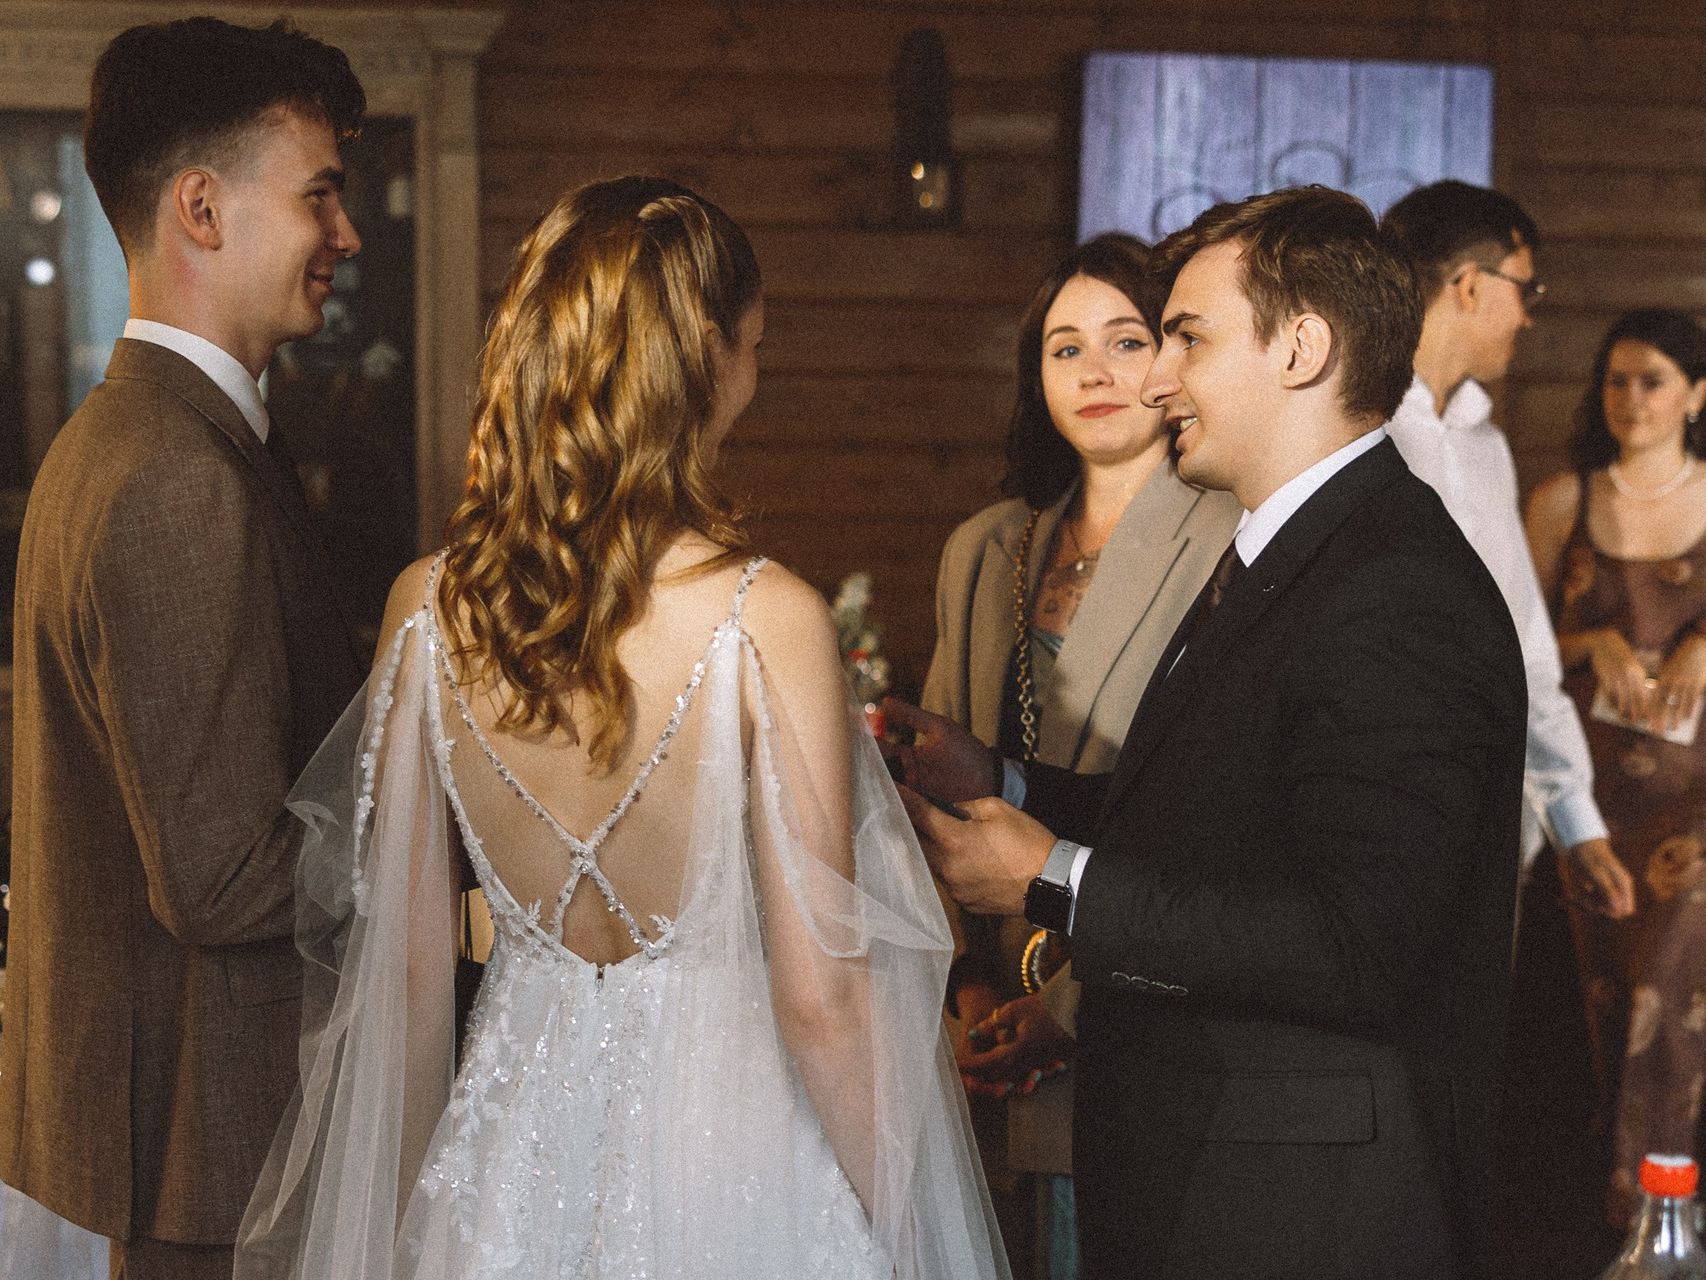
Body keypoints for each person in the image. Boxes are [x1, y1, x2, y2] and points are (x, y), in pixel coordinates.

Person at [236, 177, 1007, 1279]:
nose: (756, 375)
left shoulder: (428, 610)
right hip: (736, 1170)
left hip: (504, 1172)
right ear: (701, 358)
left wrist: (394, 1236)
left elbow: (408, 985)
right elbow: (821, 999)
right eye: (753, 345)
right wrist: (916, 1231)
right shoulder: (768, 619)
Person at [900, 186, 1528, 1278]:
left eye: (1187, 338)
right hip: (1219, 1169)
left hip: (1303, 1203)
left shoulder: (1397, 587)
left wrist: (1055, 879)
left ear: (1303, 349)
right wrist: (1003, 776)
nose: (1155, 379)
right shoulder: (1293, 546)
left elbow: (1359, 945)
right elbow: (1212, 812)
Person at [0, 19, 366, 1280]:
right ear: (201, 209)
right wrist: (451, 843)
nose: (347, 233)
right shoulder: (175, 472)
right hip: (216, 1152)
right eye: (319, 194)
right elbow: (221, 880)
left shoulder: (148, 436)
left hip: (211, 1142)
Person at [907, 233, 1238, 1279]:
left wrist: (1065, 1010)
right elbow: (931, 790)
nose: (1095, 371)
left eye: (1126, 341)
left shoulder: (1231, 538)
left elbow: (1212, 810)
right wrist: (963, 980)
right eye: (1065, 348)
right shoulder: (986, 546)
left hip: (1139, 997)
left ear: (1175, 359)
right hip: (979, 1000)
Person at [1380, 180, 1633, 918]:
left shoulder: (1485, 447)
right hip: (1374, 820)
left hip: (1487, 834)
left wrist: (1574, 820)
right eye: (1524, 288)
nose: (1527, 315)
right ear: (1468, 285)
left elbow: (1523, 645)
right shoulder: (1354, 429)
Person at [1525, 309, 1706, 1225]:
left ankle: (1658, 1203)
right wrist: (1590, 641)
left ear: (1697, 395)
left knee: (1670, 972)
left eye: (1654, 381)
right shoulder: (1564, 501)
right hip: (1584, 798)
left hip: (1695, 798)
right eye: (1617, 380)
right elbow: (1508, 649)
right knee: (1595, 993)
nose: (1633, 398)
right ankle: (1596, 1215)